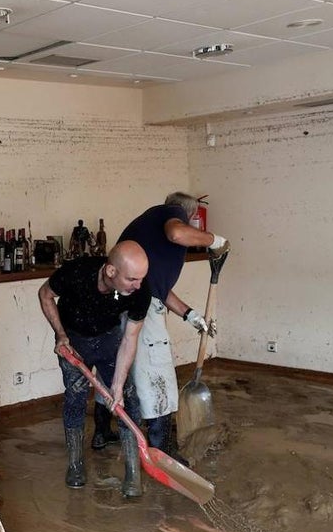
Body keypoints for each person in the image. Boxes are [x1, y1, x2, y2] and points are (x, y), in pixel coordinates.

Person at [116, 192, 229, 461]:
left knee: (128, 371)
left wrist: (189, 315)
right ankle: (162, 449)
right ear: (189, 214)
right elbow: (178, 234)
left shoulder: (151, 228)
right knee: (158, 375)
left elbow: (160, 289)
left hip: (128, 301)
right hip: (139, 306)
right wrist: (215, 240)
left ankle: (106, 433)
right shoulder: (171, 215)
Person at [38, 241, 151, 497]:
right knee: (76, 397)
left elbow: (129, 339)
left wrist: (118, 387)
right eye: (132, 279)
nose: (139, 286)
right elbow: (45, 295)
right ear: (111, 271)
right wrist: (60, 335)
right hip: (74, 340)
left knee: (127, 401)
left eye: (141, 279)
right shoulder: (76, 273)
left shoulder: (140, 292)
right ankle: (75, 465)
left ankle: (133, 473)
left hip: (110, 339)